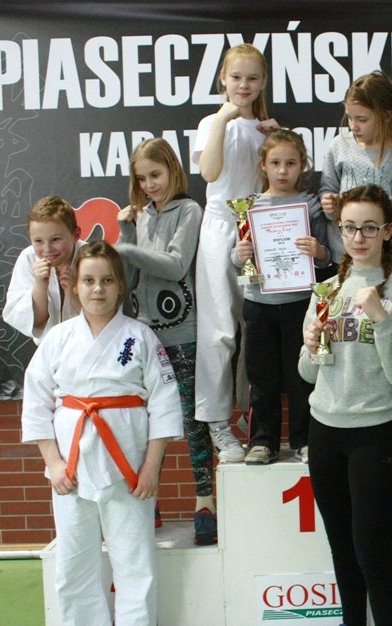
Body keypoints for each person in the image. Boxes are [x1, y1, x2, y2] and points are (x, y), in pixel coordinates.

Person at [21, 241, 182, 626]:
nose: (98, 289)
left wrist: (152, 466)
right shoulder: (57, 338)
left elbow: (165, 402)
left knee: (135, 559)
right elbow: (36, 402)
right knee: (74, 562)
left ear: (121, 286)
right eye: (89, 280)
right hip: (71, 469)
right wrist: (53, 462)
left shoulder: (141, 337)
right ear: (74, 286)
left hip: (128, 468)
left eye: (107, 280)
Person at [298, 185, 392, 626]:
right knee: (341, 542)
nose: (358, 237)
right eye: (350, 227)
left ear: (388, 231)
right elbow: (308, 373)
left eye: (369, 227)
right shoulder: (327, 288)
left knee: (373, 548)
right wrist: (311, 344)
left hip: (377, 434)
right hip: (326, 429)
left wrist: (380, 318)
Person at [114, 137, 217, 545]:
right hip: (144, 336)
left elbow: (175, 266)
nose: (150, 185)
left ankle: (205, 503)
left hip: (182, 334)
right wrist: (126, 232)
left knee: (192, 422)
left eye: (155, 175)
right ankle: (147, 502)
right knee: (143, 422)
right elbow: (128, 279)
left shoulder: (189, 210)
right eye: (142, 179)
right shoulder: (139, 216)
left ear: (172, 169)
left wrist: (126, 248)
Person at [191, 43, 278, 462]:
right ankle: (217, 424)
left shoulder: (265, 129)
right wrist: (224, 119)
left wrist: (273, 139)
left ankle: (253, 419)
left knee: (257, 329)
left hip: (259, 228)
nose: (244, 85)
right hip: (221, 225)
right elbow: (209, 172)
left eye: (252, 78)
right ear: (223, 79)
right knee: (219, 330)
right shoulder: (212, 122)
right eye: (236, 77)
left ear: (263, 82)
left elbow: (279, 180)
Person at [232, 129, 332, 465]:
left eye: (290, 163)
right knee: (261, 378)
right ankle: (263, 441)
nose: (283, 170)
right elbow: (237, 257)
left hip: (300, 304)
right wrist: (239, 254)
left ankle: (304, 439)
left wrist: (319, 251)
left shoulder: (311, 205)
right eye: (275, 163)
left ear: (302, 165)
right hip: (258, 303)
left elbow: (328, 258)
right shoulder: (249, 207)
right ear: (263, 165)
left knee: (301, 375)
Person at [319, 71, 392, 267]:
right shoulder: (339, 146)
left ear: (387, 115)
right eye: (349, 118)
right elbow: (328, 188)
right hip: (346, 255)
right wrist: (330, 205)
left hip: (391, 255)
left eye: (362, 119)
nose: (353, 126)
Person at [3, 195, 84, 343]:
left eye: (56, 239)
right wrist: (40, 285)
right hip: (48, 349)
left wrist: (73, 293)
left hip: (89, 346)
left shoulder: (92, 258)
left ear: (76, 234)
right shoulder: (28, 258)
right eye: (38, 241)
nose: (47, 249)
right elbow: (36, 323)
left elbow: (102, 319)